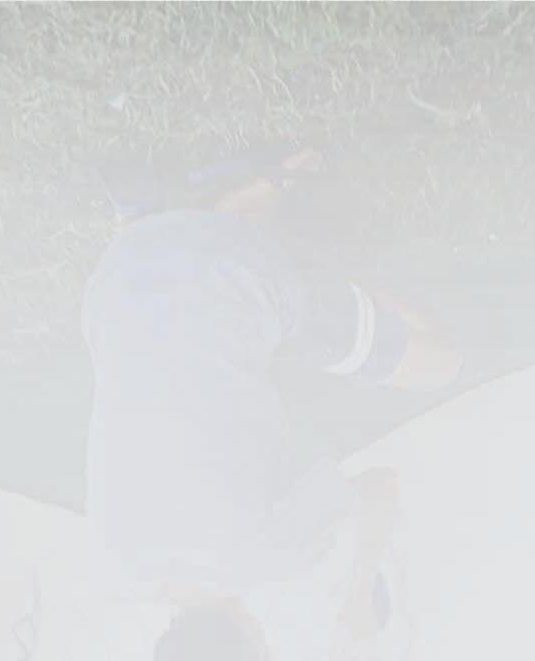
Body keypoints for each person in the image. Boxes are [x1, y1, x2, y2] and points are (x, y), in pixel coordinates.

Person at [82, 142, 464, 658]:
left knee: (441, 365)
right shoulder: (111, 566)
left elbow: (378, 488)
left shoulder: (266, 555)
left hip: (238, 278)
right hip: (116, 278)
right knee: (211, 315)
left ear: (256, 642)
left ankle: (283, 244)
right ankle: (169, 216)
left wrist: (357, 592)